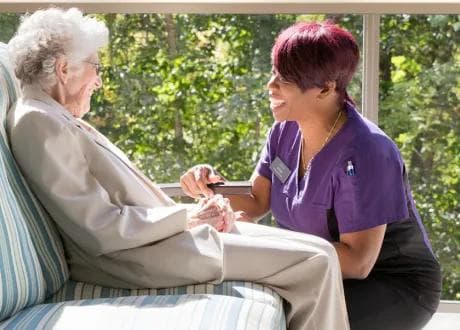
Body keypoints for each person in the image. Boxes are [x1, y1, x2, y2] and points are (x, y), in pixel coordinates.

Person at [6, 8, 350, 330]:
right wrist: (189, 218)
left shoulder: (52, 116)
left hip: (159, 239)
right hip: (138, 257)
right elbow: (99, 229)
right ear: (65, 69)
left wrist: (194, 214)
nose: (98, 81)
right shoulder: (39, 122)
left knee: (318, 250)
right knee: (315, 263)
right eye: (96, 67)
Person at [181, 21, 441, 330]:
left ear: (326, 88)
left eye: (286, 78)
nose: (271, 85)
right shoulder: (284, 131)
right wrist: (211, 188)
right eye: (274, 72)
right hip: (317, 270)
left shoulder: (368, 151)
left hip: (390, 283)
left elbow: (358, 263)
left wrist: (268, 251)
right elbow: (257, 200)